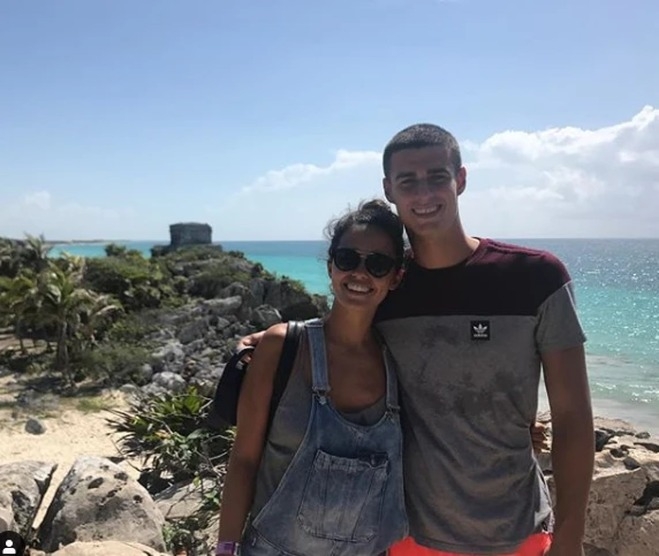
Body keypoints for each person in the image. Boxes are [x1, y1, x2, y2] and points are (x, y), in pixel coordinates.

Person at [236, 124, 594, 556]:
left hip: (518, 530)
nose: (423, 193)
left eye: (437, 177)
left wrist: (570, 538)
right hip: (406, 534)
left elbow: (573, 417)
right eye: (407, 181)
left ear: (461, 179)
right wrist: (275, 339)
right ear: (389, 189)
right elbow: (340, 331)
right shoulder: (387, 280)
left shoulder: (535, 278)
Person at [215, 200, 409, 556]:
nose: (360, 273)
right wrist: (226, 549)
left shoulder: (399, 361)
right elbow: (243, 459)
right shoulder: (283, 346)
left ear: (396, 277)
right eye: (347, 259)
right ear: (331, 264)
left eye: (378, 264)